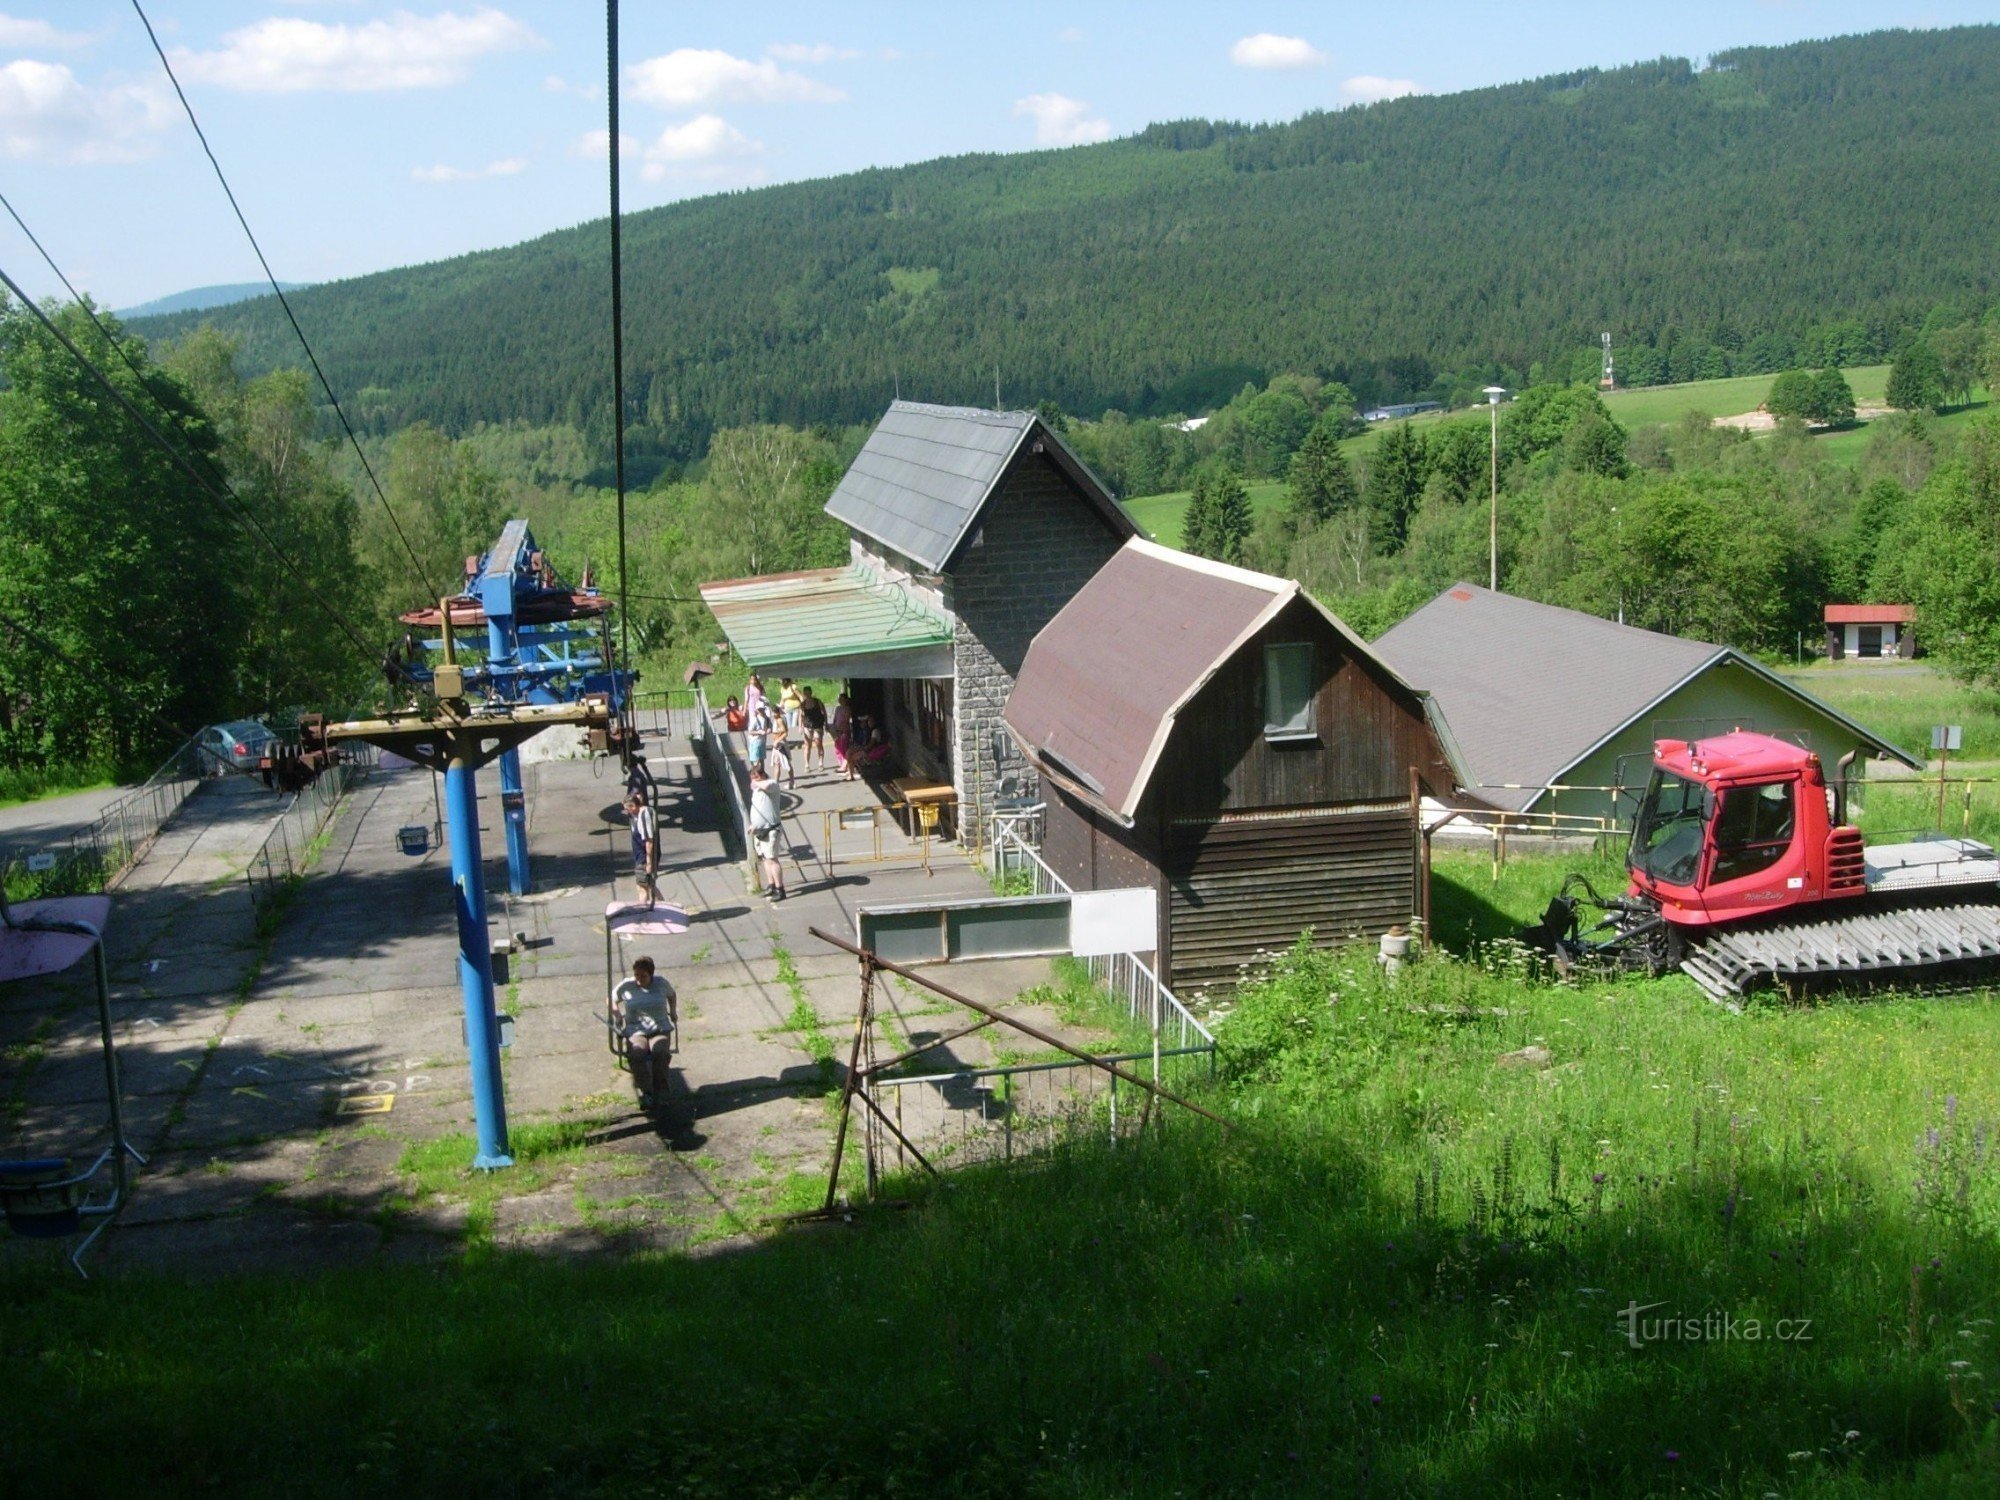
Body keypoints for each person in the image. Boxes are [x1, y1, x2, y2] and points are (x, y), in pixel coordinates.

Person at [612, 955, 677, 1107]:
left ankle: (661, 1092)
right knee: (636, 1054)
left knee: (660, 1052)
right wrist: (616, 1014)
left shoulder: (661, 983)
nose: (639, 979)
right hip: (636, 1029)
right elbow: (612, 998)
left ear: (651, 974)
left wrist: (673, 1011)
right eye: (636, 975)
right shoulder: (627, 985)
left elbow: (672, 995)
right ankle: (646, 1091)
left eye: (643, 976)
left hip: (659, 1028)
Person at [749, 766, 786, 901]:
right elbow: (760, 808)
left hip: (771, 829)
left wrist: (756, 783)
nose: (753, 781)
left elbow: (768, 785)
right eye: (752, 778)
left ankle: (780, 889)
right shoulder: (757, 788)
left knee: (772, 860)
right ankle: (771, 885)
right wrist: (754, 824)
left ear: (763, 775)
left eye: (756, 777)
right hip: (760, 830)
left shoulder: (772, 784)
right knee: (765, 859)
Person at [624, 790, 659, 906]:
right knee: (649, 885)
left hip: (643, 858)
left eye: (627, 808)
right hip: (640, 857)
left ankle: (643, 913)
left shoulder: (643, 816)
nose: (626, 811)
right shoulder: (635, 816)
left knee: (642, 888)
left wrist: (648, 863)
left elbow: (649, 841)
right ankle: (665, 905)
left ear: (633, 806)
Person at [799, 686, 828, 774]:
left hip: (818, 725)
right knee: (807, 745)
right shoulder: (803, 704)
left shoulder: (817, 702)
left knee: (819, 743)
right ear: (804, 694)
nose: (807, 694)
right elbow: (801, 715)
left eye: (808, 692)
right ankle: (807, 765)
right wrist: (800, 727)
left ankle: (820, 763)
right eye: (805, 693)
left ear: (811, 692)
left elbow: (824, 713)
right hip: (807, 726)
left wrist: (826, 724)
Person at [745, 691, 774, 775]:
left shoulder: (767, 718)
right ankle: (755, 774)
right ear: (757, 710)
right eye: (760, 709)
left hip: (762, 742)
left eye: (763, 709)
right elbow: (750, 732)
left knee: (762, 759)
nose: (762, 711)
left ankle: (762, 773)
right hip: (755, 741)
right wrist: (758, 732)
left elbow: (770, 727)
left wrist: (769, 730)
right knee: (756, 761)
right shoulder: (754, 719)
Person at [767, 707, 795, 787]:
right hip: (778, 745)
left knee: (785, 764)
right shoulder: (778, 720)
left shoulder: (779, 720)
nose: (773, 714)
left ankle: (790, 782)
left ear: (778, 712)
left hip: (780, 745)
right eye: (772, 712)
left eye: (775, 712)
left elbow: (785, 733)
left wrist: (777, 741)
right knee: (778, 764)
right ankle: (780, 782)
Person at [831, 691, 854, 781]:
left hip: (844, 730)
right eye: (839, 699)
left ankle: (846, 766)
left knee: (844, 748)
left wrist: (843, 728)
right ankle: (842, 764)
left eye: (841, 699)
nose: (840, 700)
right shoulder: (837, 708)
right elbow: (835, 718)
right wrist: (833, 727)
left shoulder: (847, 709)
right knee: (837, 747)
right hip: (837, 730)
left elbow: (846, 719)